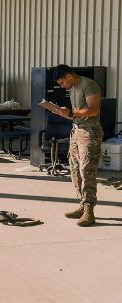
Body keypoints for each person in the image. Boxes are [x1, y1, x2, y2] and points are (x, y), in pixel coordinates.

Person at [52, 64, 103, 227]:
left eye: (61, 83)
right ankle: (82, 205)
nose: (62, 86)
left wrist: (72, 113)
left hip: (89, 132)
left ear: (68, 76)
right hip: (76, 130)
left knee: (87, 170)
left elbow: (93, 110)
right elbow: (77, 113)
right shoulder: (72, 88)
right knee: (74, 169)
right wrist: (64, 113)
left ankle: (89, 210)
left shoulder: (88, 85)